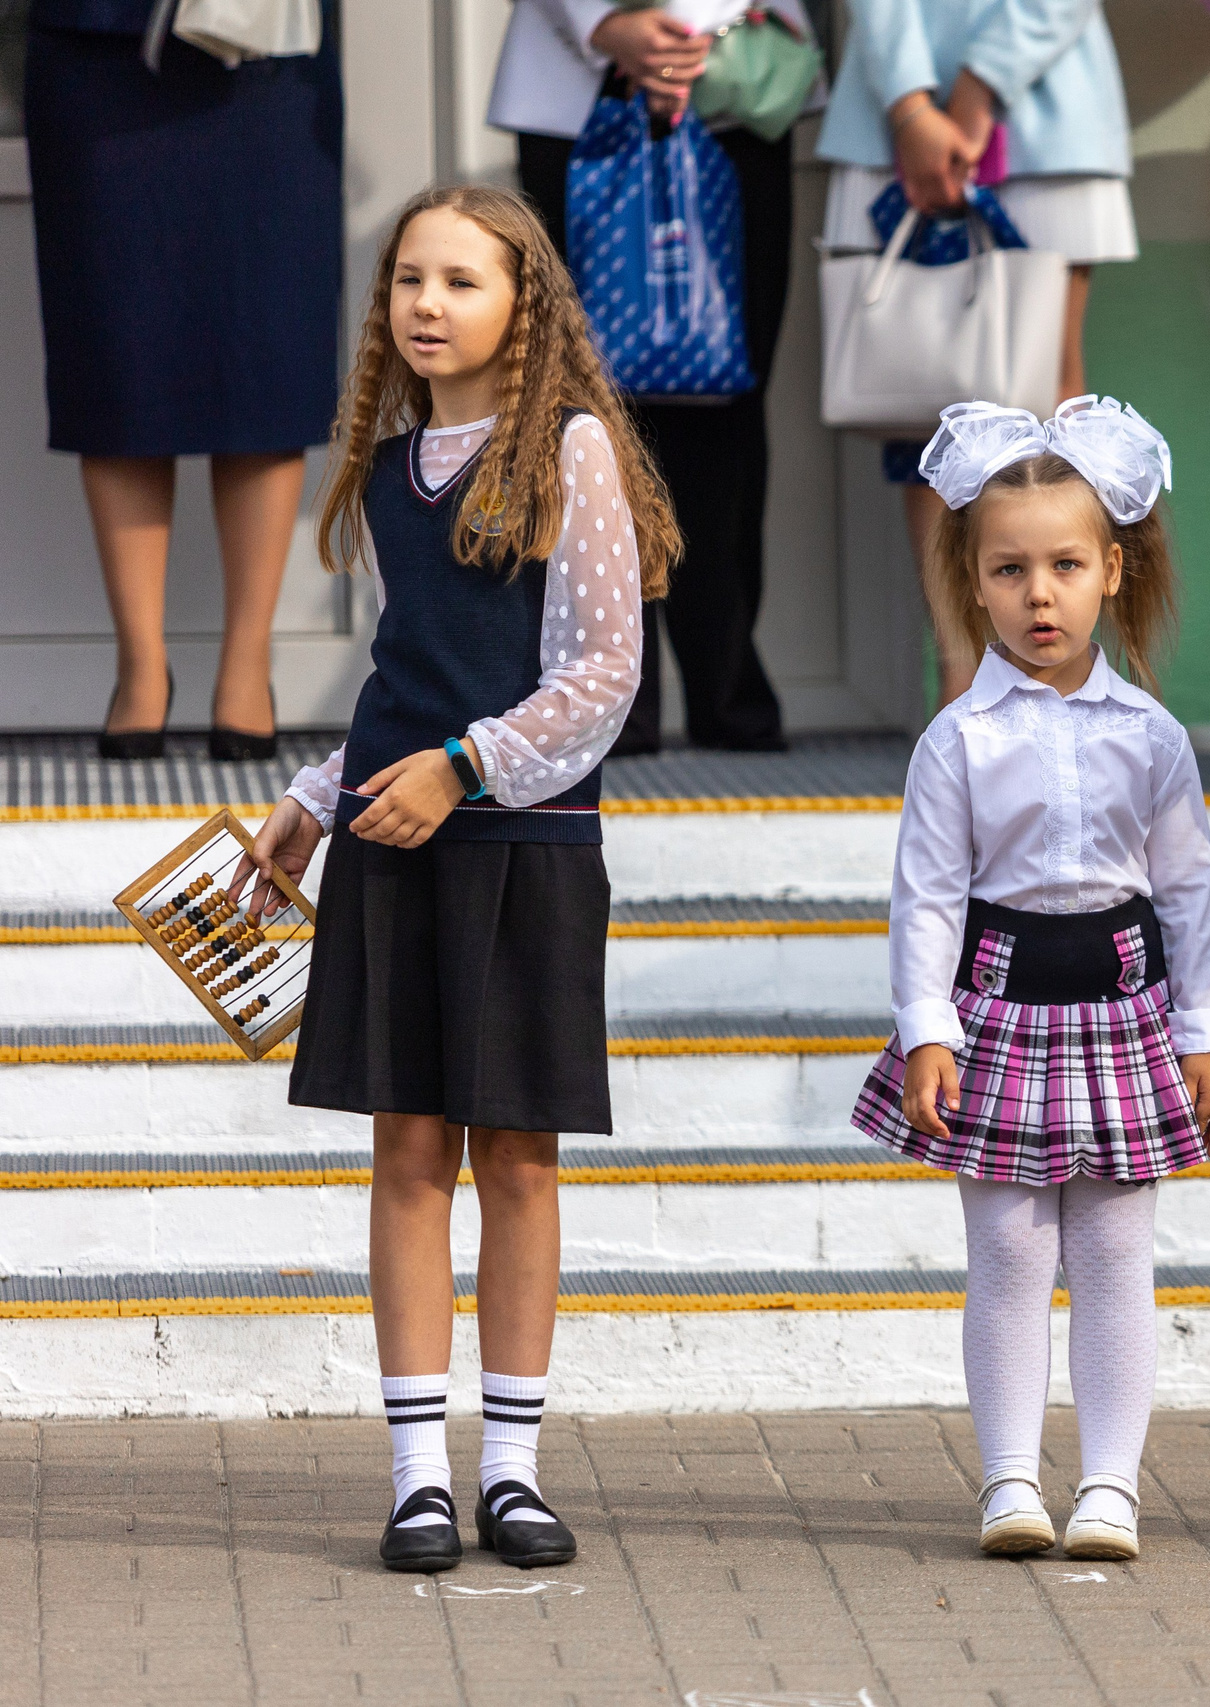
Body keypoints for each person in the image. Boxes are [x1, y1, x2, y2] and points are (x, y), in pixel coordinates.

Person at [229, 185, 680, 1573]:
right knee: (408, 1155)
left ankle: (514, 1469)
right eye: (408, 279)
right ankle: (419, 1472)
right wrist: (317, 802)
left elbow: (604, 672)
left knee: (520, 1161)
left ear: (522, 304)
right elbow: (401, 673)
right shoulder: (383, 468)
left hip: (523, 848)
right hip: (394, 848)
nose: (428, 303)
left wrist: (467, 769)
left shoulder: (573, 451)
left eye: (461, 281)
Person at [849, 396, 1210, 1562]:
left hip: (1125, 1013)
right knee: (1010, 1250)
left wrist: (1202, 1031)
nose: (1039, 594)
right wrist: (928, 1031)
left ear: (1111, 571)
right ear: (972, 584)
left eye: (1066, 566)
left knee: (1116, 1249)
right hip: (998, 1013)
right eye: (1009, 570)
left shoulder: (1153, 738)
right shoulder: (956, 743)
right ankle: (1010, 1482)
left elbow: (1188, 896)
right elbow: (925, 896)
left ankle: (1109, 1488)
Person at [491, 0, 818, 753]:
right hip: (575, 86)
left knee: (726, 401)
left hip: (735, 85)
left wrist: (700, 25)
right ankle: (596, 695)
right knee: (575, 404)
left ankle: (725, 680)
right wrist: (607, 22)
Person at [24, 0, 344, 760]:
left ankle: (247, 663)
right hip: (100, 46)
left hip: (267, 57)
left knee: (264, 348)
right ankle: (140, 665)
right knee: (118, 353)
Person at [815, 0, 1138, 706]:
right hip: (895, 116)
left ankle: (1061, 691)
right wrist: (912, 111)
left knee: (1052, 414)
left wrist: (972, 89)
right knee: (934, 415)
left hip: (1040, 108)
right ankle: (965, 696)